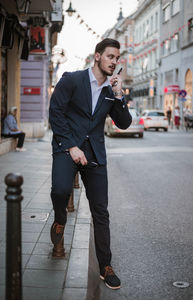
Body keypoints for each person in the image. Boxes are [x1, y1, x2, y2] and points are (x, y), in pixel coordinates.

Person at [49, 38, 132, 290]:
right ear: (97, 56)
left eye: (117, 58)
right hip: (67, 148)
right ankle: (60, 216)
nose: (114, 62)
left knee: (101, 211)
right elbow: (56, 112)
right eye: (110, 56)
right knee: (61, 190)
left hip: (95, 154)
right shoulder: (72, 80)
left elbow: (124, 123)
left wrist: (119, 95)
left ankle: (105, 266)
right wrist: (71, 146)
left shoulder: (111, 90)